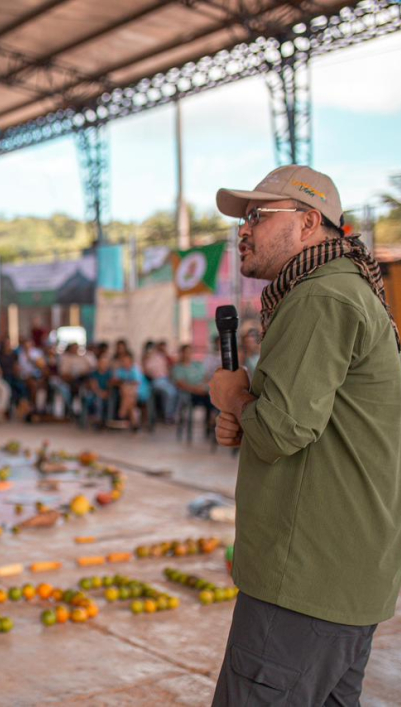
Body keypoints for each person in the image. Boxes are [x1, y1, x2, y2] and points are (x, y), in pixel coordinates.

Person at [208, 165, 401, 705]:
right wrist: (250, 409)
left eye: (257, 216)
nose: (243, 231)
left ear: (309, 222)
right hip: (346, 576)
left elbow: (281, 431)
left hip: (303, 582)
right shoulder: (348, 289)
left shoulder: (321, 297)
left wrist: (233, 398)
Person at [111, 350, 150, 430]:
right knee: (129, 398)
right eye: (123, 361)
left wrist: (124, 383)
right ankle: (135, 423)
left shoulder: (135, 369)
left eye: (127, 361)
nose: (125, 363)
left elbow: (136, 383)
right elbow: (115, 381)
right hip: (128, 394)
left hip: (140, 390)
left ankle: (122, 413)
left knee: (127, 392)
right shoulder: (120, 370)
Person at [142, 340, 178, 423]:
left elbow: (172, 364)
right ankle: (168, 416)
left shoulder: (160, 356)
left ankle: (172, 414)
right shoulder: (147, 359)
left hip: (166, 380)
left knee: (178, 392)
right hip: (156, 381)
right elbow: (147, 372)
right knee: (170, 392)